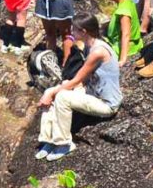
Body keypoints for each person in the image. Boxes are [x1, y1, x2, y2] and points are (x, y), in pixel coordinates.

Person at [35, 12, 122, 161]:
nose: (71, 32)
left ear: (84, 31)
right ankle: (48, 139)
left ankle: (64, 143)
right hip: (92, 92)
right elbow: (81, 80)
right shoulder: (90, 46)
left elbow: (77, 80)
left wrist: (56, 92)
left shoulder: (98, 51)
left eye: (74, 29)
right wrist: (53, 91)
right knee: (53, 90)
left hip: (107, 104)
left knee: (61, 96)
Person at [105, 0, 143, 67]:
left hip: (126, 48)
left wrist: (122, 60)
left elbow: (126, 35)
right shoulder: (129, 1)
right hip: (135, 44)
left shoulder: (123, 11)